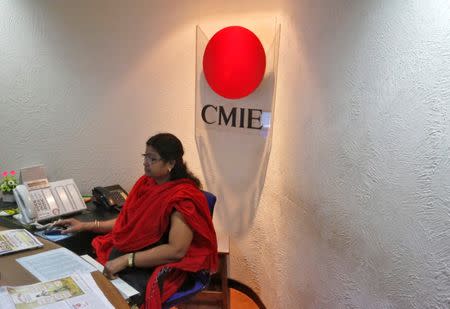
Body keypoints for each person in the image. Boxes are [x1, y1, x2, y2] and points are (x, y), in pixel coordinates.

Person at [55, 133, 218, 308]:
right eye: (145, 156)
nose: (145, 162)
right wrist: (85, 225)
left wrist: (126, 260)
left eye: (152, 158)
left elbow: (176, 250)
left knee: (110, 299)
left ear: (171, 163)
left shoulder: (183, 198)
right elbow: (127, 223)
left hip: (156, 264)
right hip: (130, 255)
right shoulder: (146, 183)